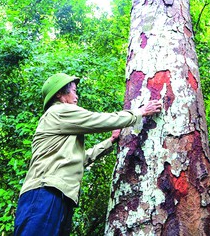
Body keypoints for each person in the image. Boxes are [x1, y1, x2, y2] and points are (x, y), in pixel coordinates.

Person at [13, 73, 162, 236]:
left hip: (58, 195)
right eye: (74, 91)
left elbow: (80, 159)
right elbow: (97, 120)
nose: (76, 97)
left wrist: (110, 141)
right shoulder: (58, 112)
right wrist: (139, 113)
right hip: (44, 192)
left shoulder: (62, 126)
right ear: (59, 94)